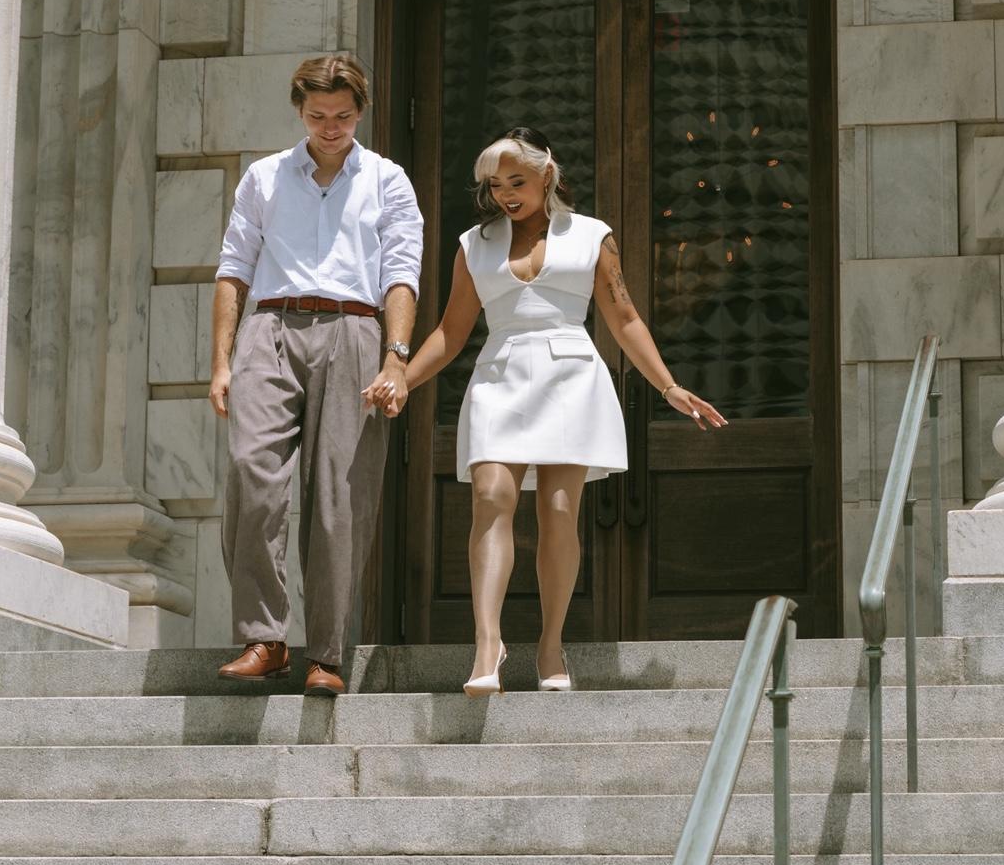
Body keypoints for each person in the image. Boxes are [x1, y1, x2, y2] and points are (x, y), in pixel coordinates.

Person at [391, 126, 726, 695]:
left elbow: (624, 317)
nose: (505, 195)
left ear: (547, 174)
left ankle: (551, 646)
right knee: (490, 496)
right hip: (500, 375)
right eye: (495, 185)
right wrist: (401, 377)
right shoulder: (474, 243)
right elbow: (451, 331)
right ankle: (487, 646)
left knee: (560, 509)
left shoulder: (594, 236)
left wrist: (668, 386)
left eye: (516, 182)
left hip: (571, 376)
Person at [210, 53, 422, 695]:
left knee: (339, 497)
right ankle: (265, 637)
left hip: (355, 331)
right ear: (300, 111)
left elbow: (401, 274)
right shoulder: (265, 177)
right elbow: (233, 269)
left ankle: (326, 653)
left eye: (343, 116)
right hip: (269, 329)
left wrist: (396, 358)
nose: (331, 128)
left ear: (361, 113)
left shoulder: (388, 180)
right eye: (318, 116)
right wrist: (221, 361)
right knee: (251, 468)